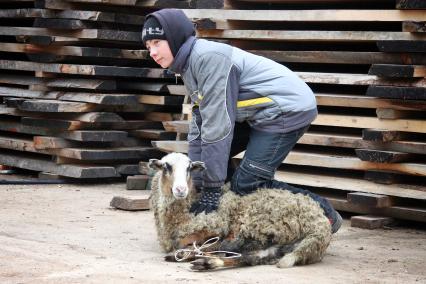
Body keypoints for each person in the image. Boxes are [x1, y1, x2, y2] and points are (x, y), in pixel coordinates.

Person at [142, 8, 342, 233]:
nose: (152, 51)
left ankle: (325, 214)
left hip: (286, 109)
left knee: (247, 185)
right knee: (216, 168)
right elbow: (200, 124)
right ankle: (227, 214)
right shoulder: (187, 65)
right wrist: (198, 181)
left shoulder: (208, 59)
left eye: (157, 42)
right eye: (148, 46)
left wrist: (212, 189)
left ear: (175, 36)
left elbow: (218, 126)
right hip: (255, 112)